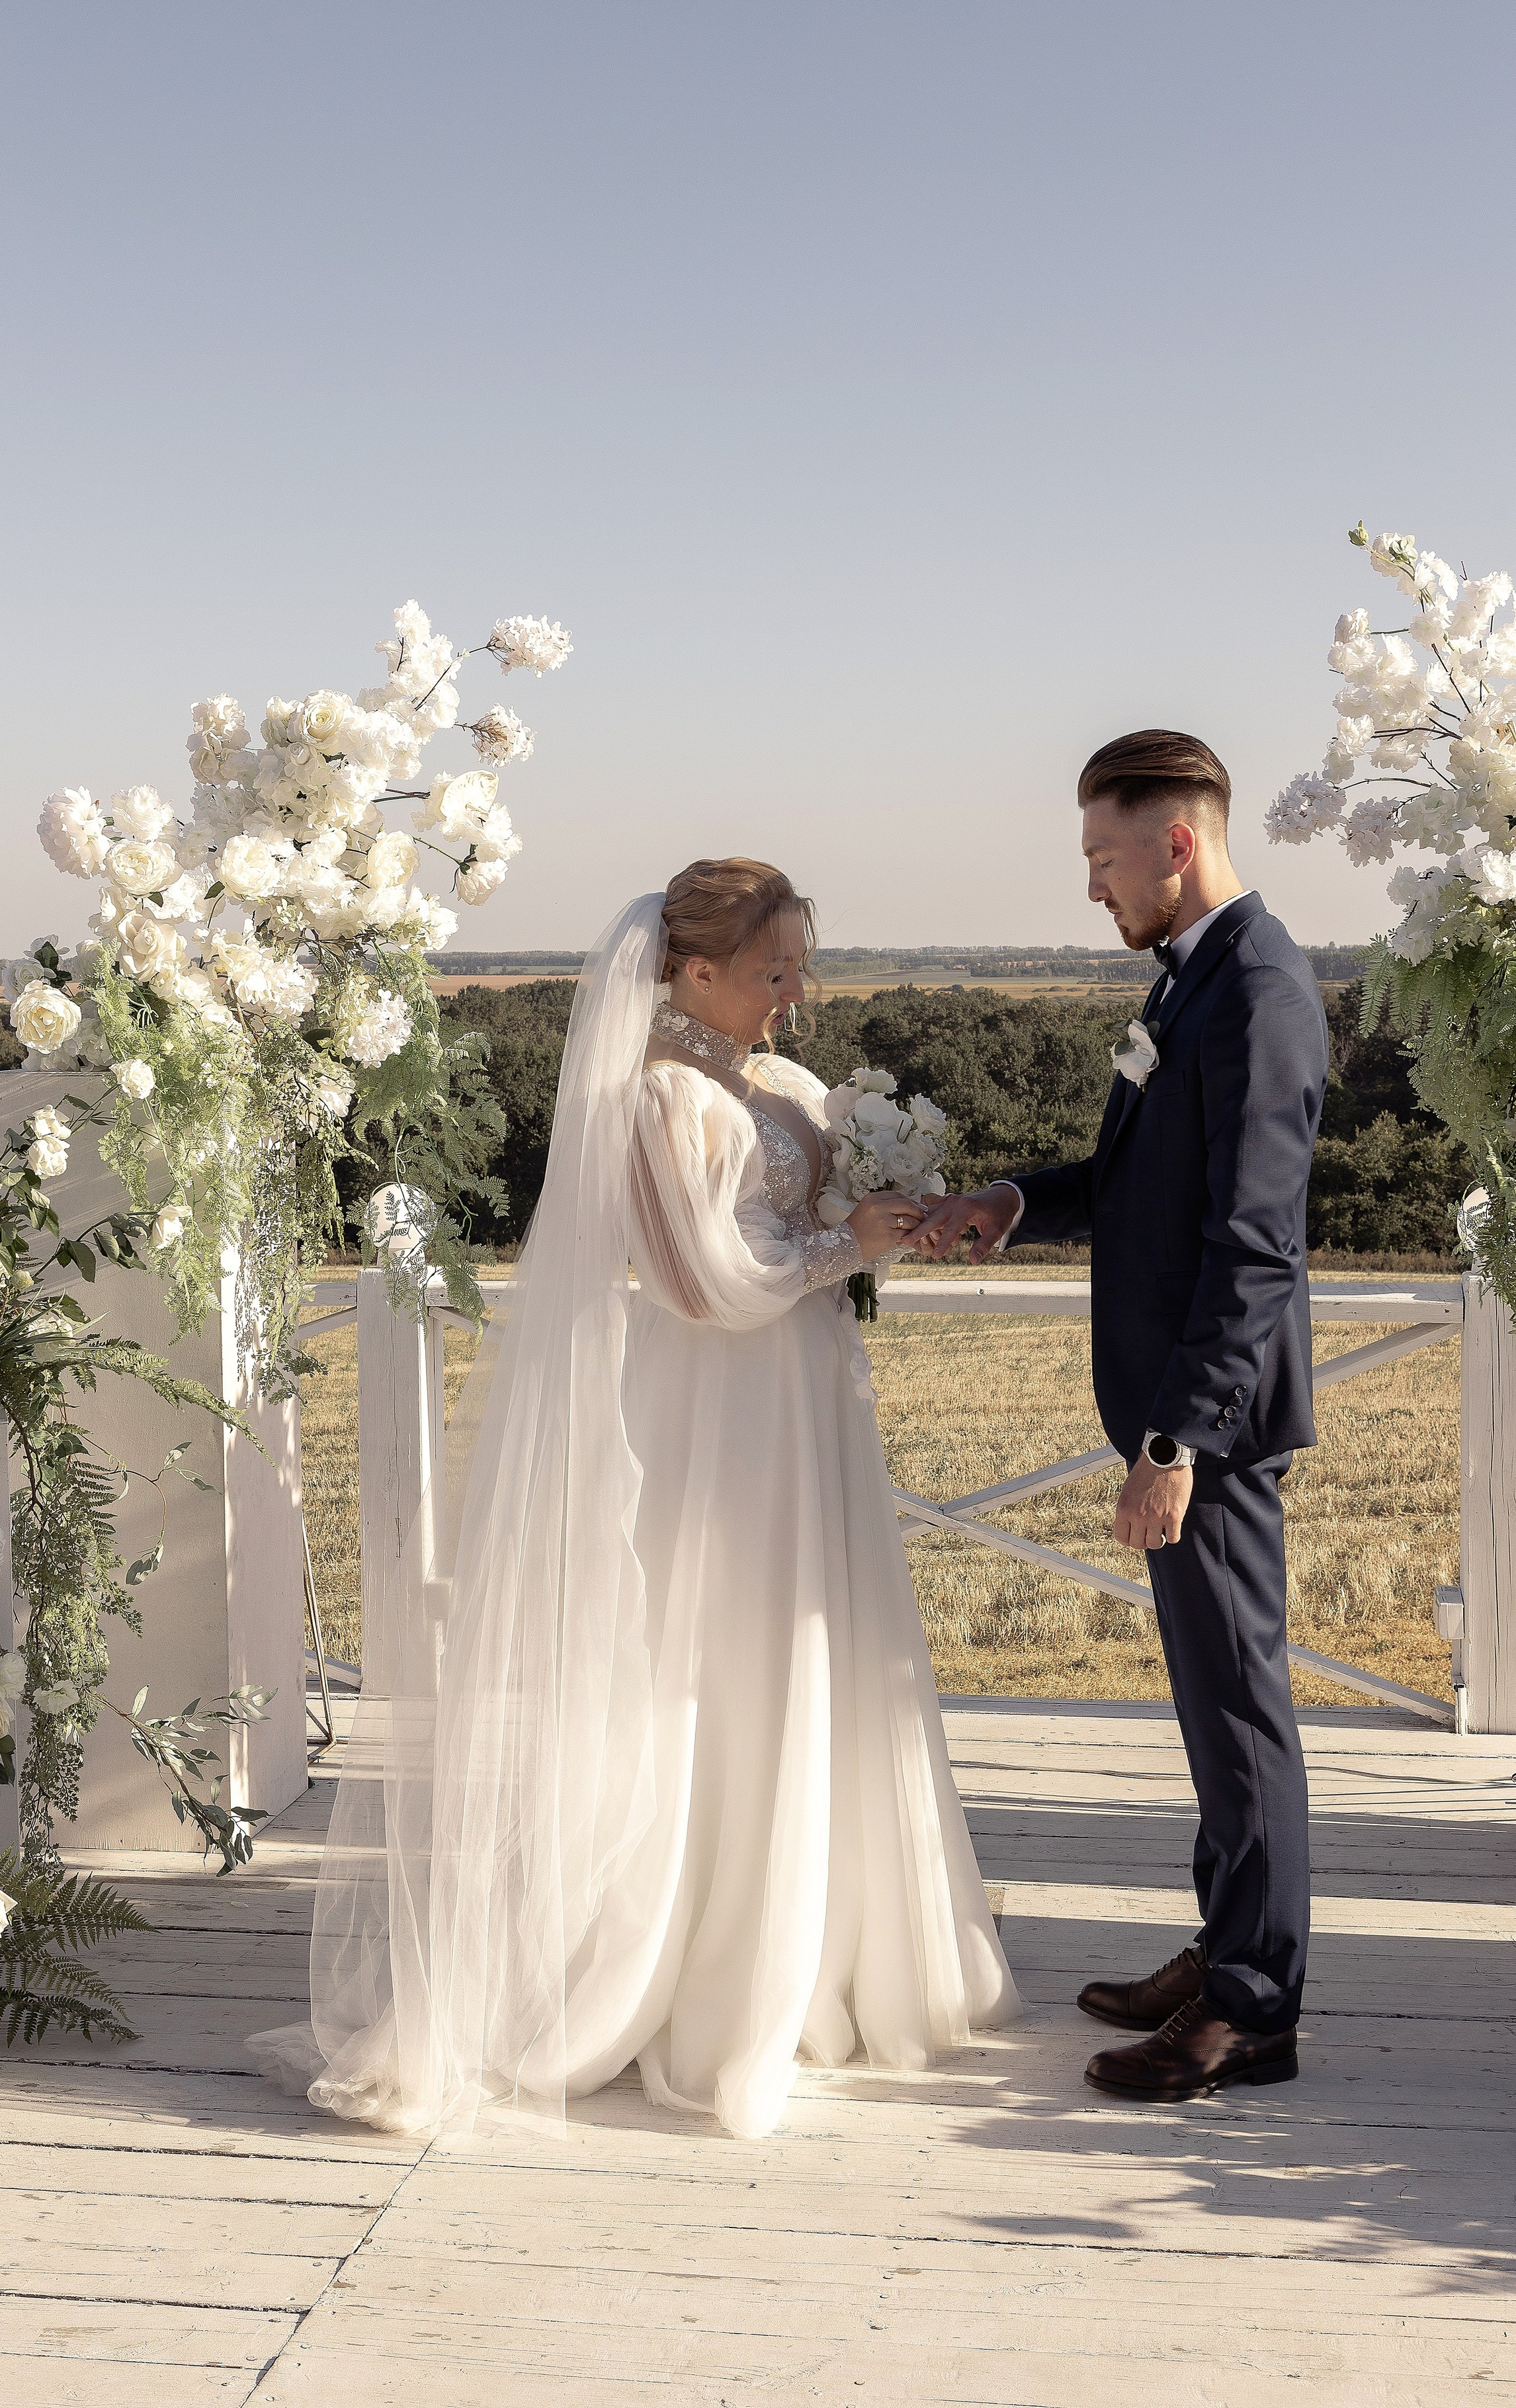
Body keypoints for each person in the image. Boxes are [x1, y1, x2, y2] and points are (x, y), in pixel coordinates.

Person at [251, 860, 1017, 2139]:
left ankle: (826, 1946)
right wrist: (851, 1244)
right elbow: (697, 1282)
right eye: (773, 971)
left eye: (797, 967)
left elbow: (802, 1230)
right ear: (694, 972)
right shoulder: (660, 1099)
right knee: (709, 1660)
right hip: (717, 1416)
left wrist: (889, 1215)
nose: (795, 994)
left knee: (806, 1651)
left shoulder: (786, 1087)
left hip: (804, 1403)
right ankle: (691, 1967)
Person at [915, 732, 1327, 2102]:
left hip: (1202, 1429)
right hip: (1174, 1417)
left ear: (1174, 842)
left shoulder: (1260, 992)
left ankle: (1251, 2011)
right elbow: (1132, 1177)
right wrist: (1013, 1201)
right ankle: (1224, 1949)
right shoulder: (1195, 978)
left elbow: (1253, 1249)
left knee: (1239, 1711)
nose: (1091, 888)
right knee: (1210, 1710)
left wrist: (1176, 1444)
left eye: (1100, 858)